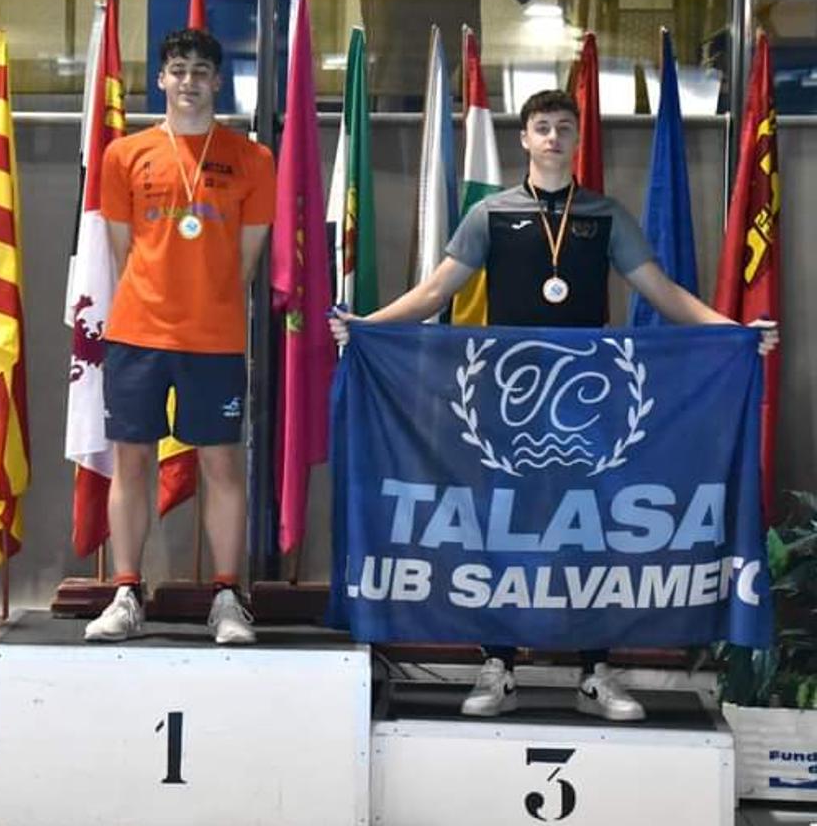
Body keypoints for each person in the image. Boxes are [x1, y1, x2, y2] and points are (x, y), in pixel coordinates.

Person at [329, 89, 778, 720]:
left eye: (564, 128)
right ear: (524, 138)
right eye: (542, 127)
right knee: (502, 524)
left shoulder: (603, 215)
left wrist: (735, 333)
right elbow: (437, 291)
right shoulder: (490, 214)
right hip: (505, 404)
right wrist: (368, 325)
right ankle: (498, 665)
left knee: (587, 530)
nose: (553, 138)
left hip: (586, 405)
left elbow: (663, 291)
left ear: (576, 139)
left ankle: (595, 672)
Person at [83, 28, 276, 645]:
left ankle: (226, 596)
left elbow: (246, 260)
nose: (189, 81)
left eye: (200, 71)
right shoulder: (124, 155)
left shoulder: (253, 159)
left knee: (221, 463)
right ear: (161, 80)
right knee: (131, 462)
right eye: (178, 70)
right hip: (137, 333)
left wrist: (202, 295)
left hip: (214, 338)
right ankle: (125, 591)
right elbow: (122, 248)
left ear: (218, 82)